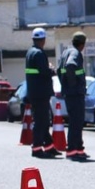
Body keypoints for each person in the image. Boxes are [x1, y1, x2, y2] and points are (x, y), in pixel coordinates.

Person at [25, 28, 59, 158]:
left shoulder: (30, 52)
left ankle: (49, 146)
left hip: (35, 92)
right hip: (40, 93)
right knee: (40, 121)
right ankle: (37, 148)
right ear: (43, 40)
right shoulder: (39, 54)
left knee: (43, 121)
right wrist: (51, 70)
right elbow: (44, 71)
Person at [58, 31, 90, 160]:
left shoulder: (66, 52)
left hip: (69, 93)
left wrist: (65, 85)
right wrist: (74, 85)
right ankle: (72, 149)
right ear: (82, 44)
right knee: (76, 122)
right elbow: (70, 66)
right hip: (75, 93)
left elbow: (59, 70)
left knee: (75, 121)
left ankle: (78, 148)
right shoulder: (75, 53)